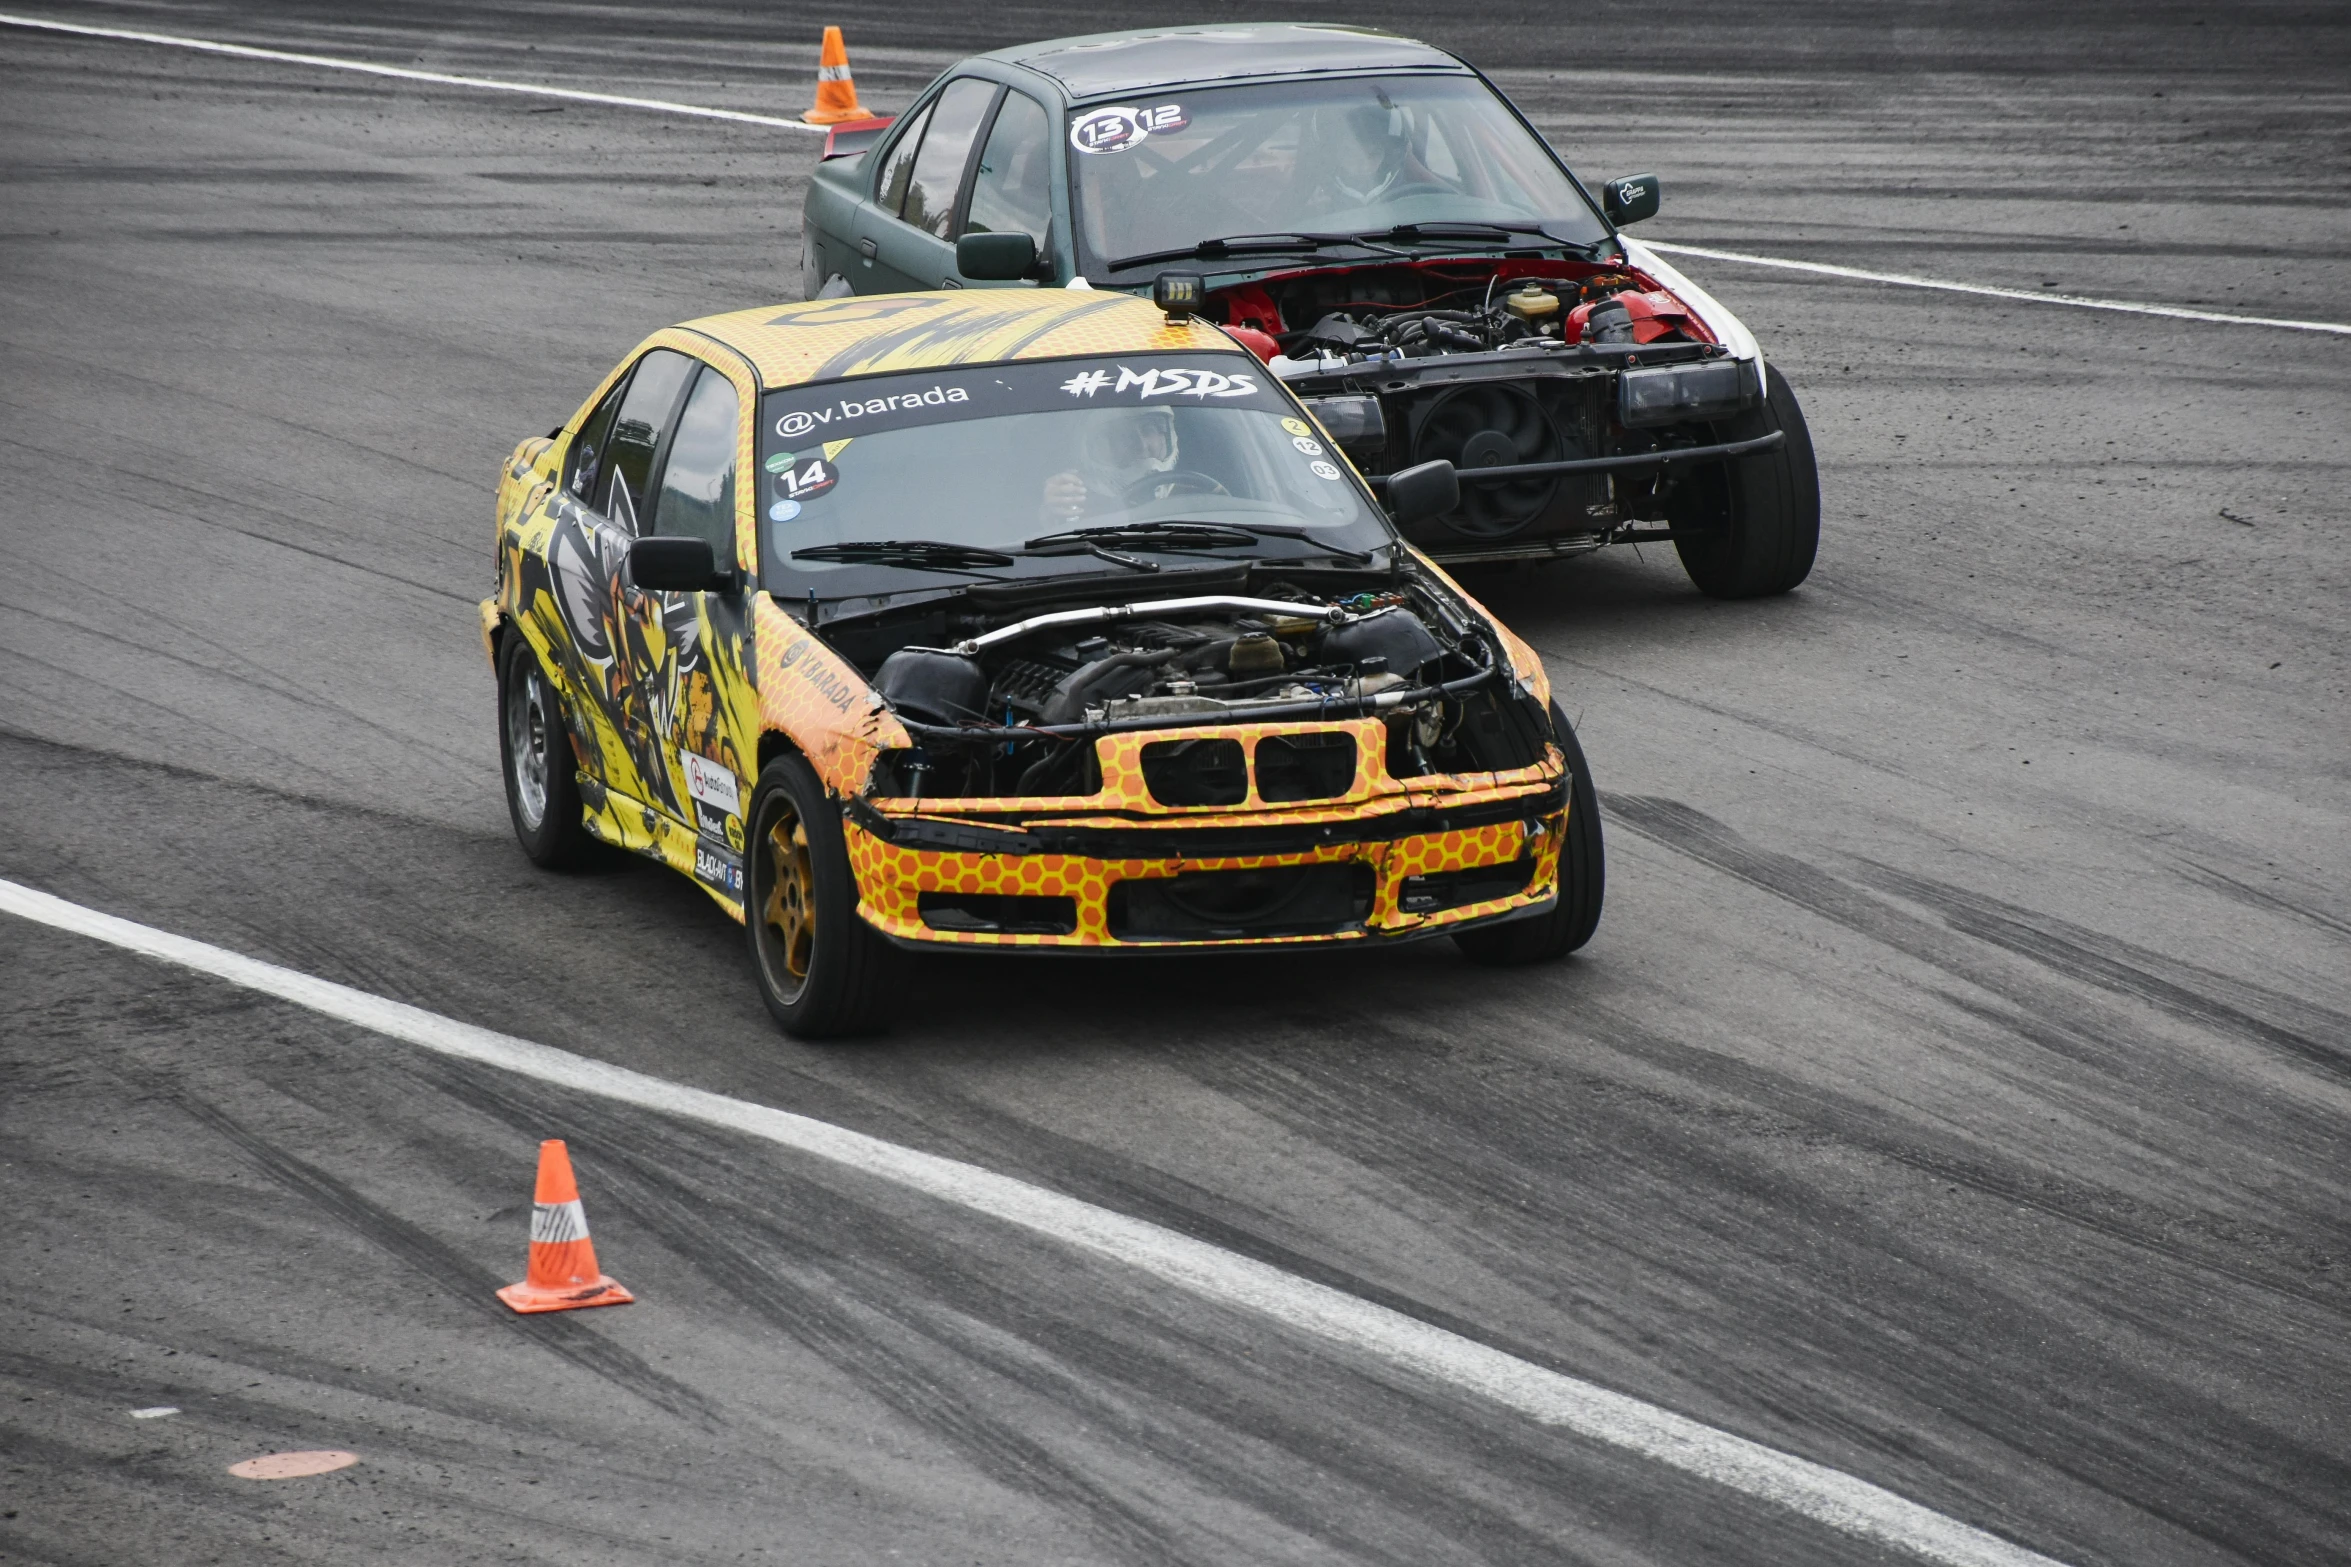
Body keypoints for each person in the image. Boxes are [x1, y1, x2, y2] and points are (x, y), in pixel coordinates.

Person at [1040, 405, 1181, 524]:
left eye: (1148, 430)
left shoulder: (1194, 494)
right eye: (1124, 435)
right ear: (1096, 446)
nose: (1142, 445)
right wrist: (1053, 515)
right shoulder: (1076, 501)